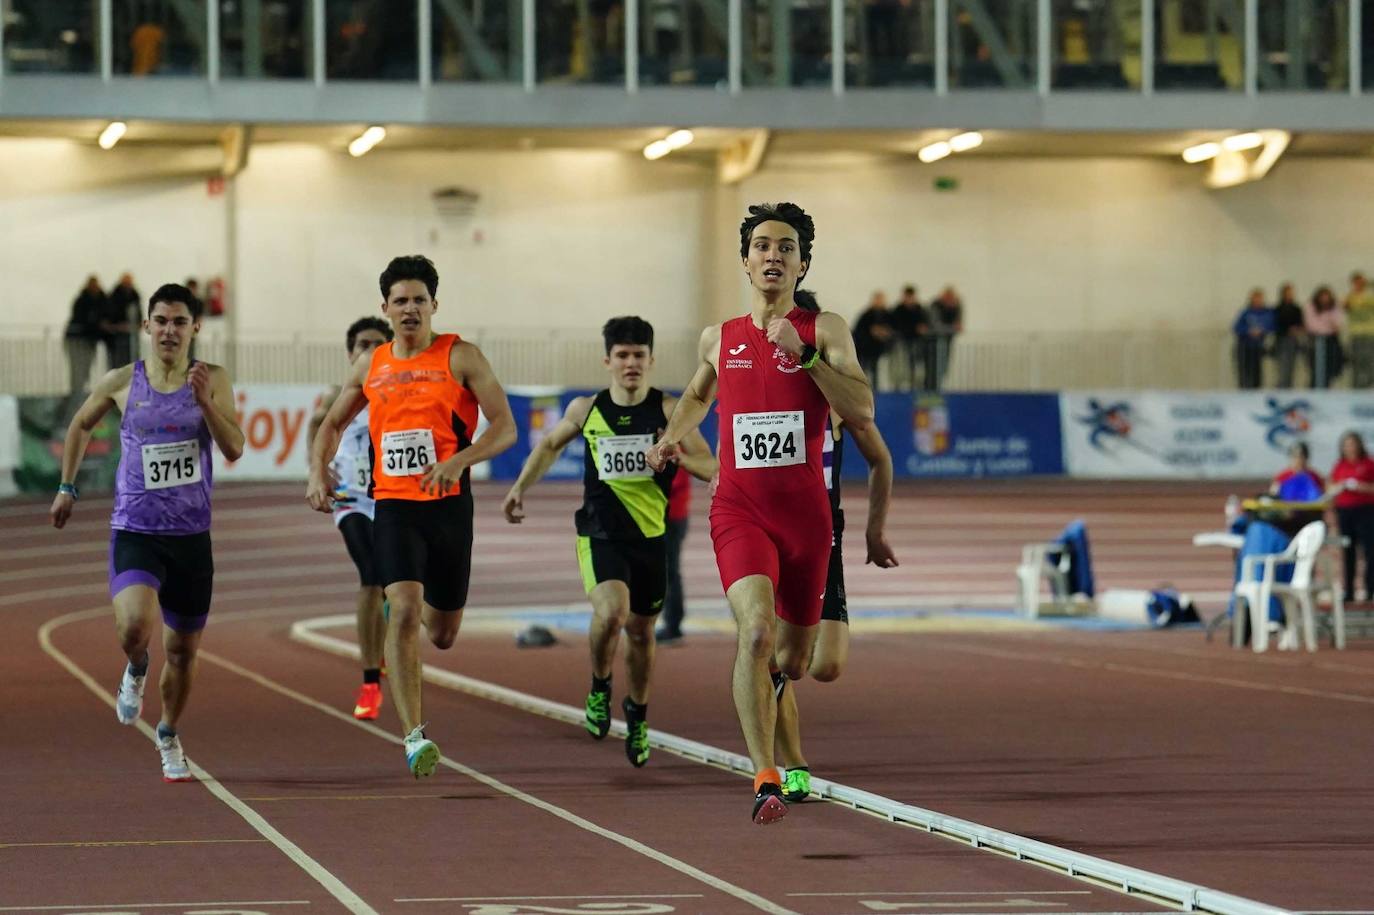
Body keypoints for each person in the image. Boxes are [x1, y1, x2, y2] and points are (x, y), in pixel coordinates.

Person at [647, 202, 873, 824]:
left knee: (793, 662)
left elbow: (862, 409)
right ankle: (765, 775)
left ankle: (779, 720)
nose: (774, 255)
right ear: (745, 259)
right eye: (763, 246)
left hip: (807, 519)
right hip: (738, 509)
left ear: (803, 262)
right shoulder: (718, 338)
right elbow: (696, 394)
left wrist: (803, 357)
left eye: (787, 247)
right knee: (754, 632)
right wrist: (672, 436)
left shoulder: (824, 328)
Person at [308, 255, 516, 778]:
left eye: (419, 300)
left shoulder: (461, 357)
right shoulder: (371, 364)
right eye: (399, 301)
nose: (409, 309)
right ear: (385, 308)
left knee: (442, 633)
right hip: (395, 507)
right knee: (401, 607)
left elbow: (506, 428)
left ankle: (424, 606)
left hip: (449, 509)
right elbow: (331, 424)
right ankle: (413, 736)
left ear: (433, 306)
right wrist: (318, 471)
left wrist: (458, 461)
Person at [49, 284, 245, 782]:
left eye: (180, 322)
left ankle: (169, 734)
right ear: (146, 326)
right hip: (136, 529)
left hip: (191, 537)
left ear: (195, 328)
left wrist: (204, 402)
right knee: (134, 626)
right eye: (161, 320)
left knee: (182, 652)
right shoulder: (122, 381)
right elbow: (80, 426)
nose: (170, 330)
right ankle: (136, 667)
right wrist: (67, 487)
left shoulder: (213, 380)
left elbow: (235, 447)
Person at [501, 317, 716, 767]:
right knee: (611, 611)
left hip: (651, 538)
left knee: (641, 632)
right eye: (622, 355)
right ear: (608, 361)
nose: (631, 363)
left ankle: (637, 714)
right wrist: (521, 486)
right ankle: (600, 685)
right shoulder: (586, 408)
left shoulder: (670, 411)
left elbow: (708, 464)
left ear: (651, 360)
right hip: (599, 534)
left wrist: (674, 451)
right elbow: (548, 446)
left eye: (639, 355)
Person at [769, 289, 899, 803]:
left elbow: (881, 461)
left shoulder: (834, 401)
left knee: (824, 666)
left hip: (824, 535)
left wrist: (873, 531)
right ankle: (793, 763)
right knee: (778, 658)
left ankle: (770, 672)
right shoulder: (755, 390)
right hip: (768, 531)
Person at [307, 316, 394, 720]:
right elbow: (320, 426)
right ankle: (370, 680)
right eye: (362, 343)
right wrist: (319, 471)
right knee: (371, 575)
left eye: (378, 343)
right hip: (352, 499)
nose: (369, 349)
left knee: (395, 586)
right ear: (350, 352)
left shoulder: (397, 389)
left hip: (393, 498)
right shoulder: (338, 395)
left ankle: (387, 635)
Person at [1327, 432, 1374, 603]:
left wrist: (1361, 487)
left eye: (1352, 444)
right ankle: (1348, 590)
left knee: (1369, 551)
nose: (1350, 448)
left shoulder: (1369, 464)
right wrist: (1338, 487)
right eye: (1346, 445)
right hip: (1345, 511)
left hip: (1366, 510)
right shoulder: (1340, 465)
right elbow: (1330, 486)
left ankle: (1370, 589)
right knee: (1348, 550)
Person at [653, 468, 692, 644]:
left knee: (669, 570)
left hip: (671, 515)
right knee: (664, 569)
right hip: (666, 514)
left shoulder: (676, 444)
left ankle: (673, 624)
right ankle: (671, 622)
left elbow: (675, 481)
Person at [63, 276, 108, 421]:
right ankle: (76, 404)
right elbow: (85, 321)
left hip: (88, 341)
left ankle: (78, 400)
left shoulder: (98, 301)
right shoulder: (83, 301)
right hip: (79, 341)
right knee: (79, 375)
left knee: (83, 374)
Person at [888, 285, 928, 393]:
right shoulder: (897, 310)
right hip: (901, 344)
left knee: (916, 367)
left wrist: (922, 329)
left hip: (916, 343)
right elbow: (895, 326)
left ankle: (914, 388)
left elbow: (926, 325)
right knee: (900, 366)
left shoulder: (920, 310)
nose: (909, 299)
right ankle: (898, 388)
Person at [1304, 285, 1345, 389]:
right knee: (1316, 368)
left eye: (1327, 297)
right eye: (1322, 296)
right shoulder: (1310, 306)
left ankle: (1327, 388)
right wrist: (1327, 325)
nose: (1324, 299)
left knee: (1330, 368)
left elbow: (1338, 324)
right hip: (1316, 340)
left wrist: (1326, 323)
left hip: (1331, 341)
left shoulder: (1335, 306)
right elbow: (1311, 325)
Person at [851, 291, 893, 389]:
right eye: (877, 299)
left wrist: (885, 333)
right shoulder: (866, 315)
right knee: (866, 373)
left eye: (881, 300)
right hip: (866, 351)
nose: (879, 302)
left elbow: (895, 330)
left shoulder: (888, 315)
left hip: (883, 351)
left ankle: (878, 390)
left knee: (880, 374)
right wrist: (871, 332)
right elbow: (858, 331)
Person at [1232, 289, 1273, 390]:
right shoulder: (1246, 313)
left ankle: (1256, 391)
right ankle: (1243, 390)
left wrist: (1262, 331)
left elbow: (1272, 326)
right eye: (1255, 298)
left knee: (1257, 373)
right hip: (1245, 347)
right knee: (1244, 372)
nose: (1258, 301)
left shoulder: (1267, 313)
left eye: (1259, 298)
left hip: (1258, 348)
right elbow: (1236, 327)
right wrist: (1248, 331)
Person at [1343, 271, 1374, 388]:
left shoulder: (1370, 295)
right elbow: (1344, 306)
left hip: (1370, 333)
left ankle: (1366, 385)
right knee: (1356, 363)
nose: (1359, 284)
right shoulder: (1350, 296)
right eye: (1356, 282)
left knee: (1370, 363)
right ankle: (1356, 388)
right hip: (1356, 334)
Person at [1272, 283, 1305, 390]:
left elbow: (1301, 324)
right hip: (1281, 339)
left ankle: (1289, 388)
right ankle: (1281, 387)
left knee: (1291, 367)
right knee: (1282, 367)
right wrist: (1286, 330)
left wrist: (1297, 329)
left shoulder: (1296, 309)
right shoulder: (1277, 309)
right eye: (1287, 293)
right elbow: (1275, 324)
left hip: (1293, 341)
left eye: (1291, 293)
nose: (1290, 295)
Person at [104, 273, 141, 369]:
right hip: (118, 335)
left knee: (130, 360)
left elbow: (138, 312)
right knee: (118, 361)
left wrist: (137, 324)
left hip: (131, 335)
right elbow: (111, 313)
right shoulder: (115, 296)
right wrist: (117, 325)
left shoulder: (134, 295)